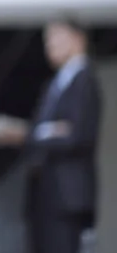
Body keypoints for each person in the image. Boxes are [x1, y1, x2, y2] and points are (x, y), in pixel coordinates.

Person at [25, 18, 101, 253]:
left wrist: (39, 133)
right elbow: (43, 128)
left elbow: (76, 134)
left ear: (78, 38)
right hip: (45, 192)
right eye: (47, 39)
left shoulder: (84, 80)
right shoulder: (54, 83)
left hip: (68, 196)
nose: (50, 45)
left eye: (57, 37)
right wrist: (49, 130)